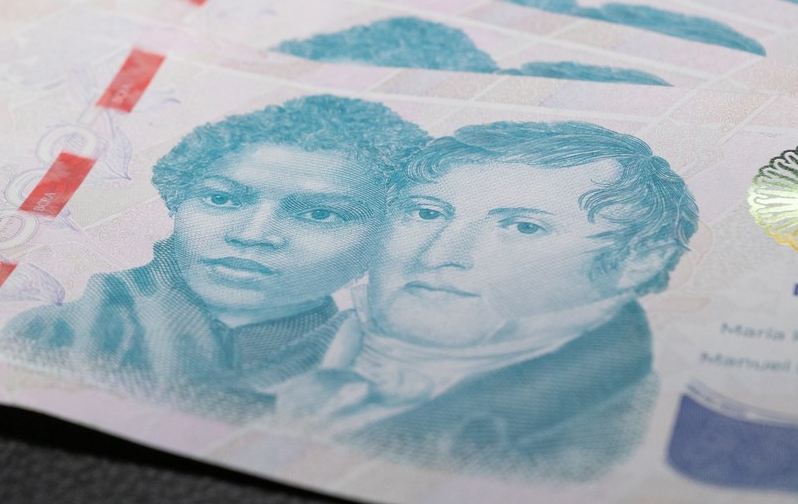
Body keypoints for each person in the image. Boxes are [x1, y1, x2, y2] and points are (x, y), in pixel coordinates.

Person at [276, 121, 698, 480]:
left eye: (524, 227)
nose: (441, 255)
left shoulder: (599, 435)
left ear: (638, 262)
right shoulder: (287, 344)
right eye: (427, 213)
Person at [1, 94, 429, 411]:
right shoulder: (53, 333)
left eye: (320, 214)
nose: (253, 235)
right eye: (221, 199)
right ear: (178, 202)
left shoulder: (390, 373)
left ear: (387, 237)